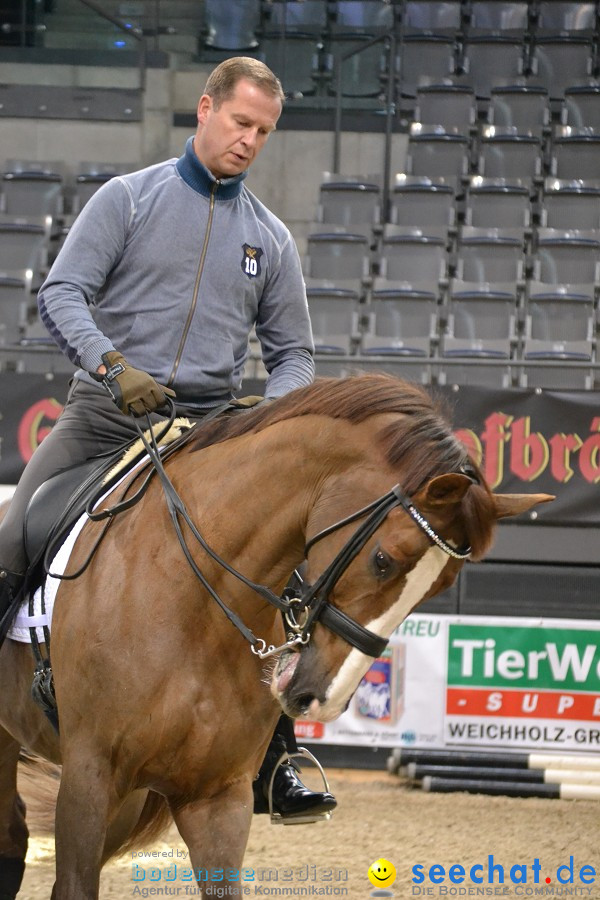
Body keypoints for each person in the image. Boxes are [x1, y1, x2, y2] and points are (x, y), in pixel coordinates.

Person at [0, 56, 335, 821]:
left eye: (264, 132)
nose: (250, 140)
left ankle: (277, 761)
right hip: (103, 418)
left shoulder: (271, 239)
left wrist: (269, 414)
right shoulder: (129, 199)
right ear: (206, 109)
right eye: (241, 121)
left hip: (211, 432)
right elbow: (62, 293)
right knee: (14, 540)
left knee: (286, 582)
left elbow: (295, 354)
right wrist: (114, 367)